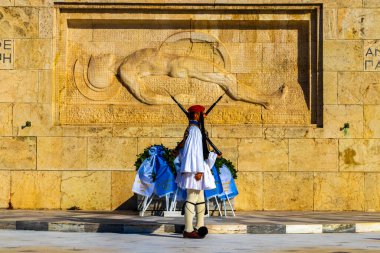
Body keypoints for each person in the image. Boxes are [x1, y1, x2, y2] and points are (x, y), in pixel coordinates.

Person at [174, 105, 218, 239]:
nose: (204, 116)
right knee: (192, 197)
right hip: (195, 169)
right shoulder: (194, 130)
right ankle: (188, 229)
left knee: (200, 199)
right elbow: (194, 152)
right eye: (202, 114)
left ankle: (199, 226)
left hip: (197, 168)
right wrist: (199, 170)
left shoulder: (195, 129)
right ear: (196, 115)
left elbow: (189, 146)